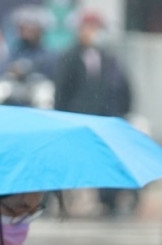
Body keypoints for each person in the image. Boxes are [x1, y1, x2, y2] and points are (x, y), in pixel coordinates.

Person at [54, 10, 134, 217]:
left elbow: (123, 88)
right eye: (88, 28)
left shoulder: (108, 58)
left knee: (106, 160)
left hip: (105, 118)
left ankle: (109, 200)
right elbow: (62, 92)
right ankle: (65, 203)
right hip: (78, 118)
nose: (92, 33)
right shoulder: (69, 57)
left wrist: (121, 113)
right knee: (74, 162)